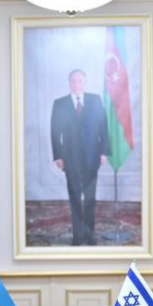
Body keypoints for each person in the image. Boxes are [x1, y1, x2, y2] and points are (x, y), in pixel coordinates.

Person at [50, 69, 108, 246]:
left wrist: (104, 152)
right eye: (73, 81)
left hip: (92, 157)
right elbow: (54, 131)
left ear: (85, 82)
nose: (77, 84)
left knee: (90, 197)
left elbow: (103, 126)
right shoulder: (60, 104)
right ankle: (77, 235)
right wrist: (58, 156)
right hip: (70, 157)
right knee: (75, 196)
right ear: (69, 83)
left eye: (80, 81)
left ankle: (89, 234)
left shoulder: (95, 100)